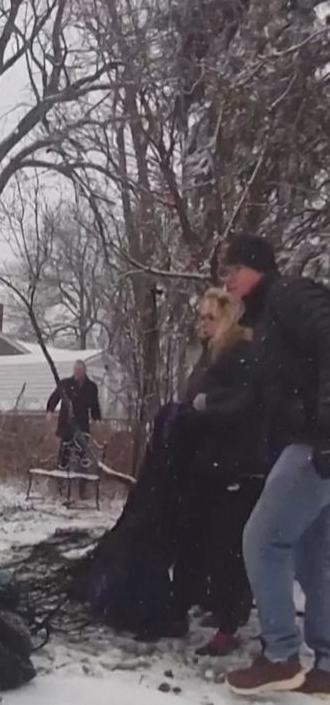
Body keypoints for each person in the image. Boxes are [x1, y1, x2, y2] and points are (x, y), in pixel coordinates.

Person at [219, 234, 330, 695]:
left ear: (255, 267)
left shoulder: (290, 294)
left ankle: (280, 655)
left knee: (262, 539)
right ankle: (325, 665)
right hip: (307, 442)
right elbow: (270, 395)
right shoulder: (267, 320)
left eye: (231, 271)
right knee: (315, 557)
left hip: (316, 443)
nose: (226, 282)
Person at [174, 288, 264, 656]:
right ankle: (205, 606)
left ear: (227, 317)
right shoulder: (213, 354)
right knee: (201, 537)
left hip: (235, 463)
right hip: (208, 460)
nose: (203, 324)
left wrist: (208, 404)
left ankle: (229, 622)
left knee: (228, 544)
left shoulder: (241, 353)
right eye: (201, 317)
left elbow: (248, 401)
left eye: (210, 317)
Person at [46, 360, 103, 470]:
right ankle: (61, 480)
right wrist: (50, 411)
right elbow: (54, 397)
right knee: (64, 455)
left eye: (79, 370)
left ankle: (82, 481)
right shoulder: (65, 384)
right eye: (75, 370)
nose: (77, 373)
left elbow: (94, 405)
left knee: (82, 455)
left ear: (84, 371)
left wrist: (97, 420)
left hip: (82, 425)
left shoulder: (91, 387)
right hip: (67, 424)